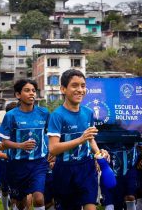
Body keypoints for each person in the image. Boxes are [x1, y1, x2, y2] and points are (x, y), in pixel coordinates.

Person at [47, 69, 106, 210]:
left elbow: (90, 139)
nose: (80, 90)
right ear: (63, 89)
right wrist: (80, 139)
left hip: (86, 167)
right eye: (75, 85)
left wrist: (99, 154)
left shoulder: (88, 112)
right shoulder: (57, 115)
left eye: (83, 85)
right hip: (64, 170)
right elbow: (53, 148)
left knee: (91, 206)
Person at [0, 79, 50, 210]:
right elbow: (2, 143)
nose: (31, 93)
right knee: (20, 203)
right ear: (18, 95)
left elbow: (50, 135)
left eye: (33, 91)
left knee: (38, 198)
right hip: (17, 165)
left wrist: (52, 153)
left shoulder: (44, 113)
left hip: (39, 163)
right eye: (27, 90)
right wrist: (20, 145)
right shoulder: (11, 116)